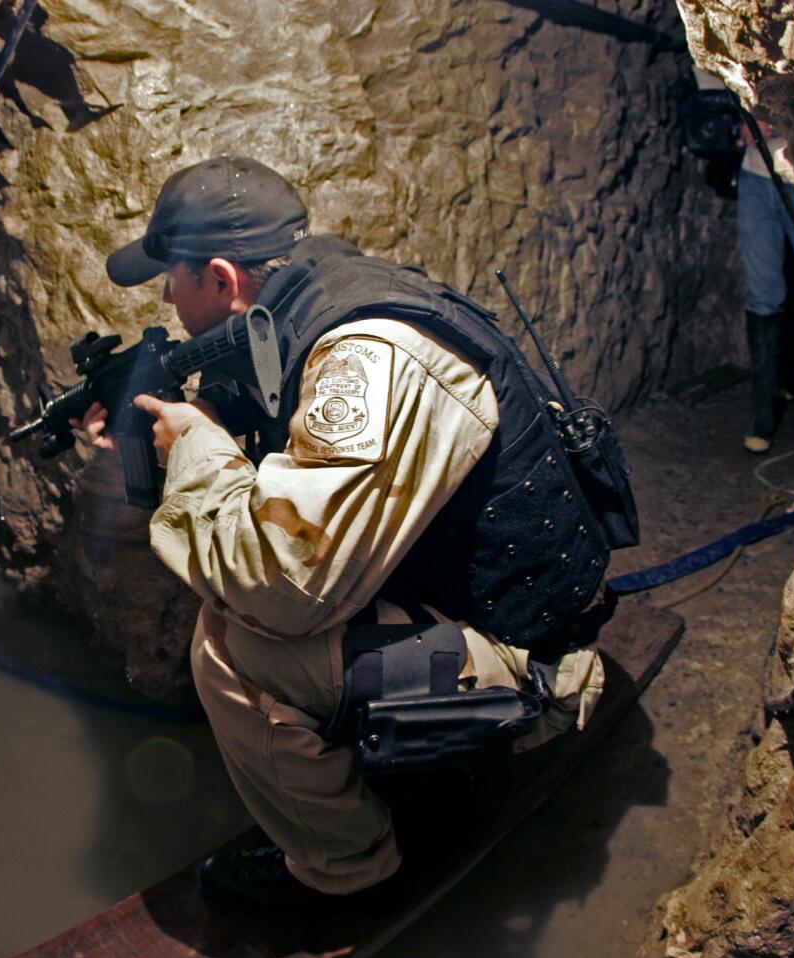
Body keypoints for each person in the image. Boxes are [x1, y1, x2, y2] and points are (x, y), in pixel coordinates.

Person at [78, 156, 604, 915]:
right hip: (470, 605)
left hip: (542, 660)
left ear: (223, 280)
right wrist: (171, 432)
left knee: (232, 647)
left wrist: (194, 445)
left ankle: (345, 877)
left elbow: (281, 584)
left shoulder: (368, 358)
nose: (165, 297)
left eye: (173, 279)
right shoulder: (317, 302)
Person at [694, 69, 794, 454]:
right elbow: (709, 87)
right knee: (764, 295)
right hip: (755, 177)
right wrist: (739, 123)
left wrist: (778, 122)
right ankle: (763, 413)